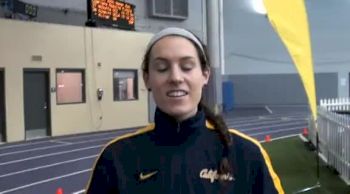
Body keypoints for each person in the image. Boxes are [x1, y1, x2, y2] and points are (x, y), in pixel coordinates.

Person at [85, 27, 284, 194]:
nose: (175, 77)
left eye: (187, 67)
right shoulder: (116, 158)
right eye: (162, 68)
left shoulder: (246, 154)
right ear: (147, 79)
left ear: (205, 75)